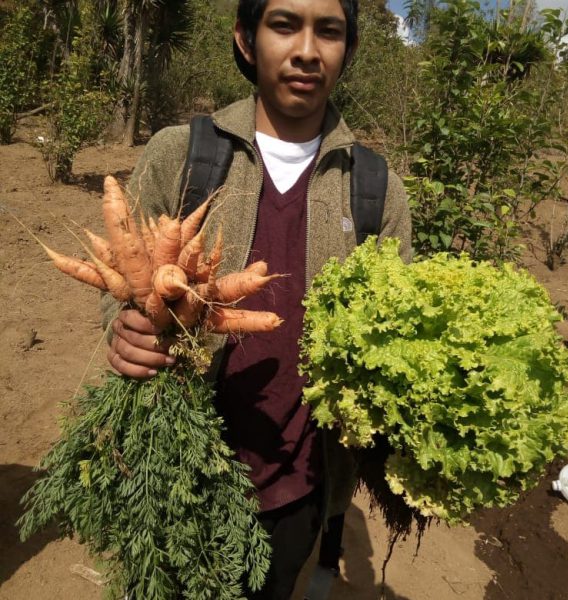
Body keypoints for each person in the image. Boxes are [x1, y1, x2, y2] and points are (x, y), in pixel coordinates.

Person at [102, 0, 412, 598]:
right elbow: (121, 282)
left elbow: (397, 339)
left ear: (347, 50)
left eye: (329, 31)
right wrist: (122, 332)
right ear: (246, 39)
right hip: (171, 465)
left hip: (298, 482)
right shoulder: (181, 153)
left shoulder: (377, 188)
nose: (306, 50)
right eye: (284, 24)